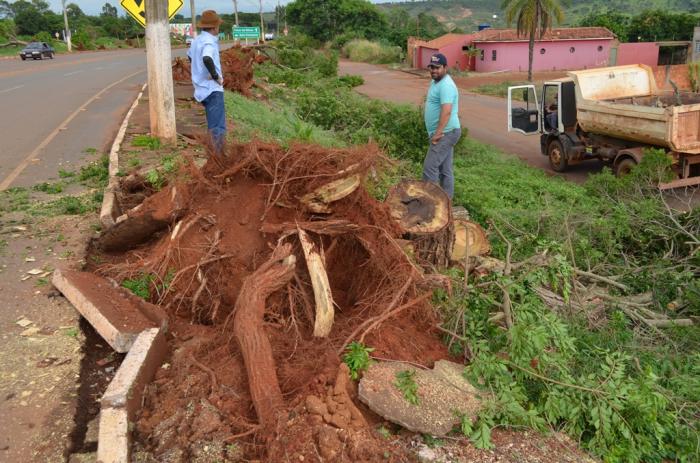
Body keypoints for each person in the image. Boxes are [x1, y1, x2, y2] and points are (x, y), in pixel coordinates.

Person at [422, 53, 461, 199]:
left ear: (445, 67)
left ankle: (430, 206)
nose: (433, 70)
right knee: (445, 170)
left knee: (429, 169)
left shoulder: (446, 85)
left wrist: (438, 132)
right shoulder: (436, 82)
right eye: (431, 67)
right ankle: (446, 205)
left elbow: (447, 111)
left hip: (445, 133)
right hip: (447, 132)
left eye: (437, 68)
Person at [188, 10, 226, 154]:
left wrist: (199, 72)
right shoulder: (209, 42)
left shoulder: (196, 40)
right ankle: (218, 159)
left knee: (213, 125)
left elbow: (191, 57)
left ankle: (215, 154)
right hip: (212, 89)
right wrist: (215, 76)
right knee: (217, 127)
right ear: (214, 27)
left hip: (201, 88)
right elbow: (207, 58)